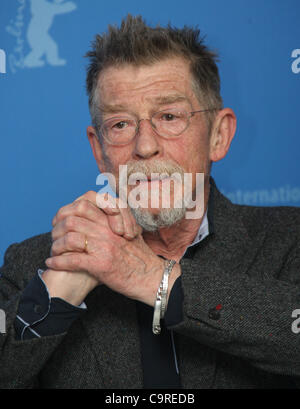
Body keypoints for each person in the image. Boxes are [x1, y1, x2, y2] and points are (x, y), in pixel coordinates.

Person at [1, 14, 300, 389]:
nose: (145, 146)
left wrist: (149, 276)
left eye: (169, 116)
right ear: (99, 150)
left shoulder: (289, 240)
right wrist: (56, 293)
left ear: (219, 136)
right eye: (121, 125)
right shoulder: (36, 265)